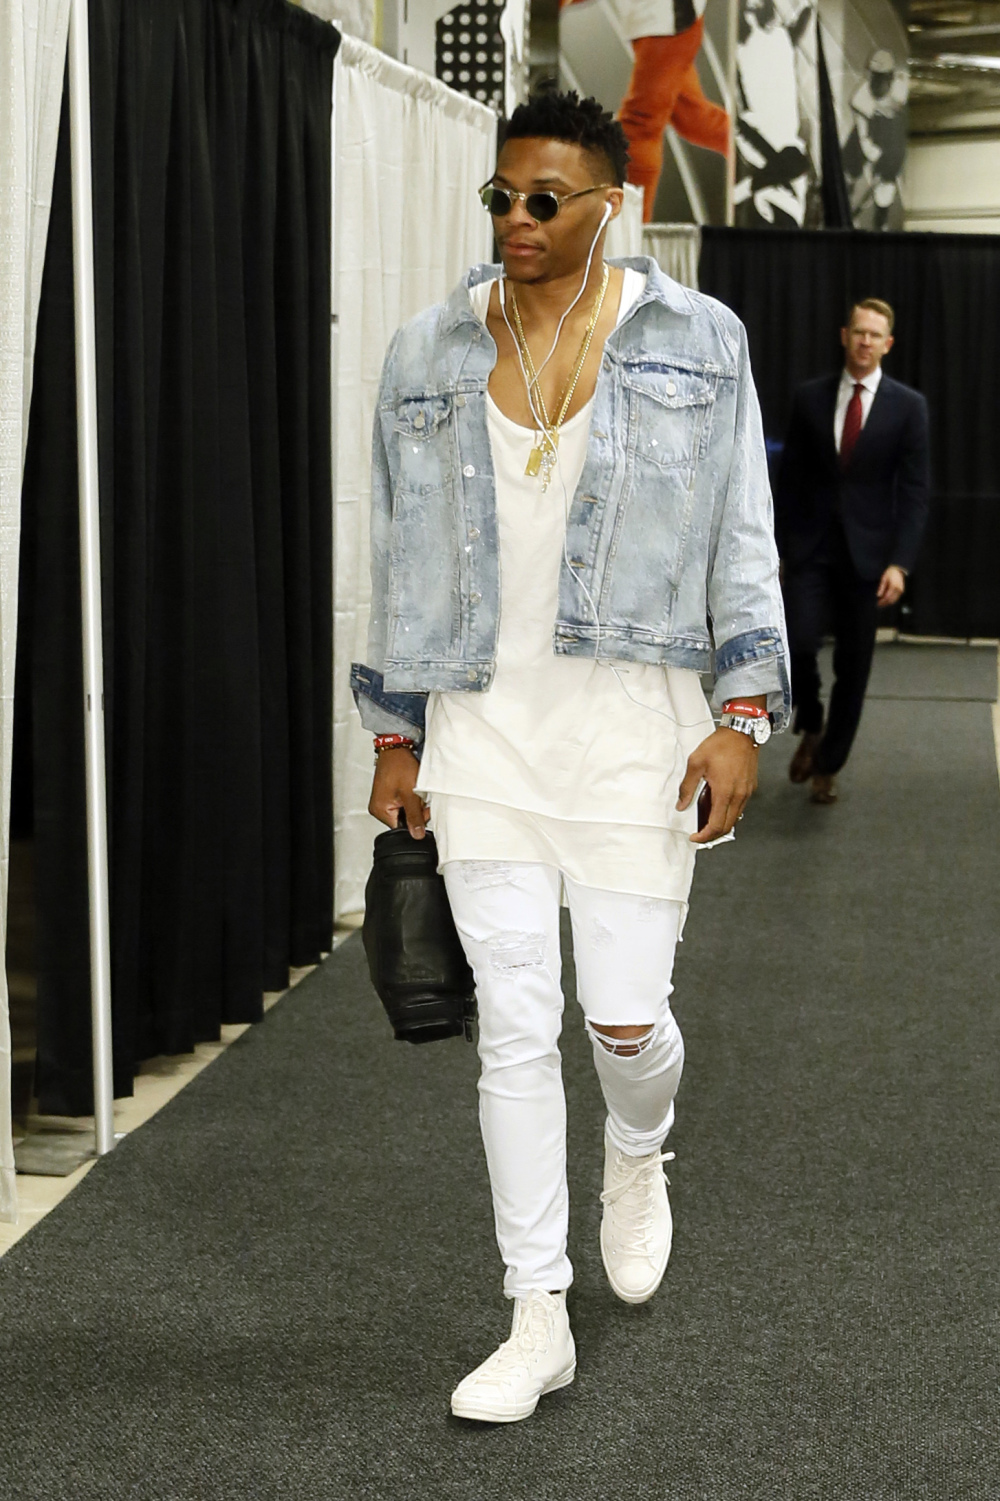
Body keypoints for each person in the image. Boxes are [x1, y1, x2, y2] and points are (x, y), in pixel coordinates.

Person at [351, 90, 788, 1423]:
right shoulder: (429, 349)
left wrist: (744, 712)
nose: (518, 220)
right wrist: (395, 730)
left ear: (614, 204)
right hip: (484, 733)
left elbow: (741, 533)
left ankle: (640, 1145)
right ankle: (534, 1313)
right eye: (501, 197)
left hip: (636, 733)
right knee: (515, 1030)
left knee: (620, 1016)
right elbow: (397, 552)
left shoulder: (699, 338)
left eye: (547, 200)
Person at [775, 298, 930, 803]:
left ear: (888, 344)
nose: (865, 341)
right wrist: (776, 546)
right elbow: (790, 476)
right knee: (797, 644)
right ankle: (812, 717)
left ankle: (827, 763)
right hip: (809, 550)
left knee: (855, 666)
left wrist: (900, 563)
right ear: (845, 336)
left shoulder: (909, 407)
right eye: (858, 332)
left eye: (875, 335)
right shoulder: (809, 398)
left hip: (869, 558)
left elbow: (914, 491)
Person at [561, 0, 729, 221]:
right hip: (656, 20)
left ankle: (632, 227)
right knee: (692, 118)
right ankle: (752, 149)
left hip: (665, 20)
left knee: (640, 127)